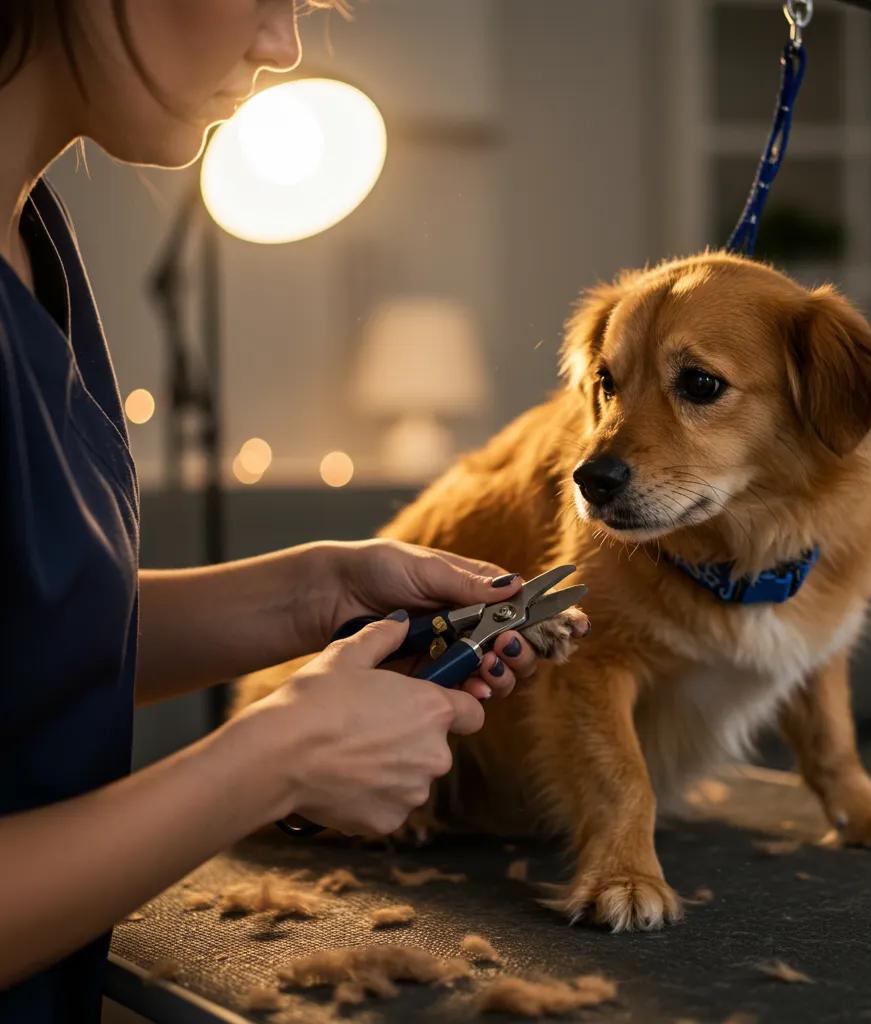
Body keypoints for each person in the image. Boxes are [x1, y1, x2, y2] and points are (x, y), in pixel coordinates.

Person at [0, 3, 590, 1017]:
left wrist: (314, 592)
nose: (282, 45)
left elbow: (26, 633)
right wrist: (272, 762)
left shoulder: (31, 233)